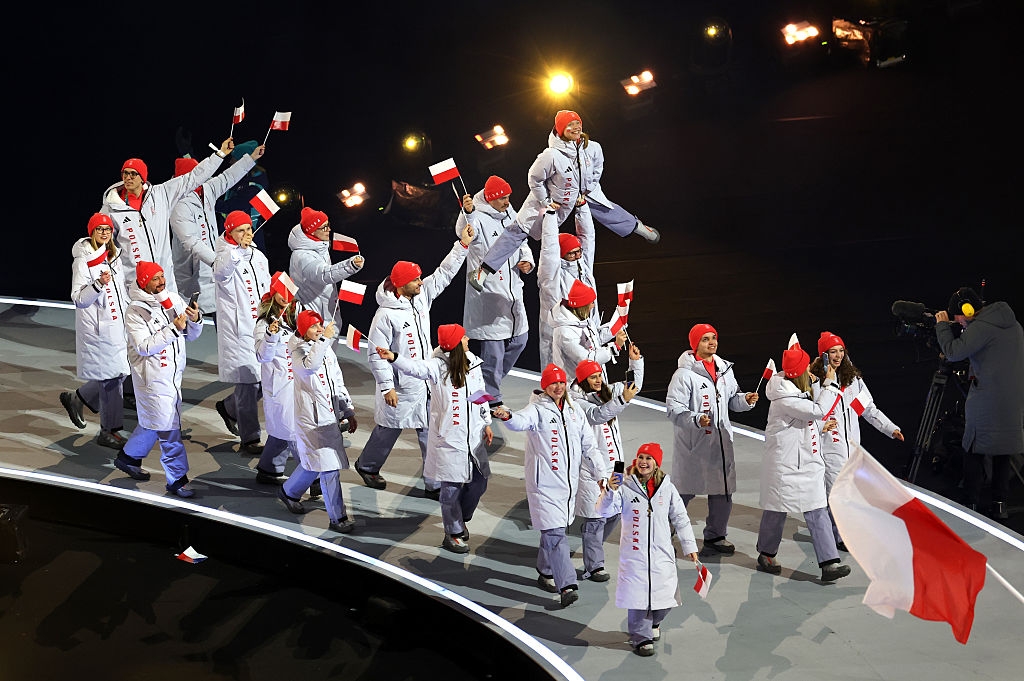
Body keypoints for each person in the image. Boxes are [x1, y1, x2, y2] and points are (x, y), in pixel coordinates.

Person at [470, 110, 659, 292]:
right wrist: (545, 201)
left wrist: (586, 189)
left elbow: (597, 169)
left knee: (608, 210)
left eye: (578, 123)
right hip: (554, 199)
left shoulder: (593, 147)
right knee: (517, 231)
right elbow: (534, 179)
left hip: (584, 193)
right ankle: (483, 272)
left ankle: (641, 228)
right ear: (561, 129)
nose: (576, 127)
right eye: (570, 125)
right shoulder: (551, 155)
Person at [357, 223, 475, 497]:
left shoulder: (420, 299)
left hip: (423, 380)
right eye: (416, 279)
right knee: (387, 431)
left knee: (429, 432)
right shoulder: (385, 316)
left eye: (421, 278)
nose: (422, 282)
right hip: (400, 387)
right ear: (401, 285)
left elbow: (444, 273)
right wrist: (387, 387)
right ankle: (367, 465)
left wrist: (463, 245)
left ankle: (433, 483)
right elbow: (376, 353)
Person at [490, 364, 604, 608]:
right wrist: (507, 415)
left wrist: (600, 474)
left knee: (556, 532)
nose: (559, 386)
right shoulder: (537, 409)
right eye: (553, 383)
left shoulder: (574, 411)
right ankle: (567, 585)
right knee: (554, 534)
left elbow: (589, 445)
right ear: (545, 386)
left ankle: (545, 571)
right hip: (545, 487)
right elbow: (520, 421)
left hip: (568, 485)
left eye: (562, 382)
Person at [374, 324, 494, 553]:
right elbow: (414, 368)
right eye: (463, 336)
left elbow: (480, 393)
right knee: (450, 488)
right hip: (449, 438)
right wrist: (394, 358)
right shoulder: (436, 366)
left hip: (474, 436)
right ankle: (453, 532)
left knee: (479, 482)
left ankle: (461, 517)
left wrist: (487, 421)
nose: (468, 338)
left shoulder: (473, 362)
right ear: (457, 343)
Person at [756, 334, 851, 582]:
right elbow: (818, 411)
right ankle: (766, 554)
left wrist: (820, 428)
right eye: (807, 367)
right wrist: (829, 385)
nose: (811, 370)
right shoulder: (785, 397)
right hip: (785, 466)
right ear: (798, 372)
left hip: (805, 462)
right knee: (776, 511)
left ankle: (829, 563)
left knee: (817, 509)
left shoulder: (797, 391)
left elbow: (801, 424)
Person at [599, 443, 699, 657]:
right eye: (641, 457)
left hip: (662, 553)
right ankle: (640, 637)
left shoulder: (667, 488)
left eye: (649, 458)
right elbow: (604, 510)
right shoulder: (624, 486)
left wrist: (689, 546)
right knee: (638, 598)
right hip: (635, 554)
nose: (643, 462)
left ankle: (655, 622)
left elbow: (680, 518)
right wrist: (610, 490)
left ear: (656, 463)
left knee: (666, 597)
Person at [456, 176, 534, 449]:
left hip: (513, 291)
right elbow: (464, 231)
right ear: (490, 198)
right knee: (494, 351)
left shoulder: (509, 212)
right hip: (489, 293)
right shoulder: (476, 214)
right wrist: (466, 213)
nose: (507, 201)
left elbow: (521, 239)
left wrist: (526, 259)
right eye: (502, 197)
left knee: (520, 340)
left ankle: (488, 387)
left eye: (508, 196)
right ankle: (493, 401)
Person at [113, 261, 203, 498]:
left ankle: (128, 458)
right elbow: (143, 347)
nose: (161, 281)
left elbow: (192, 335)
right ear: (144, 282)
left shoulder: (172, 299)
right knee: (169, 429)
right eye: (155, 278)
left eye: (162, 276)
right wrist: (173, 329)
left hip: (172, 376)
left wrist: (195, 320)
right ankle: (177, 480)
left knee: (155, 421)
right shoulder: (135, 311)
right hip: (152, 379)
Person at [666, 324, 758, 555]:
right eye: (706, 339)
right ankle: (663, 531)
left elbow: (731, 401)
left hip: (720, 443)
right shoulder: (683, 375)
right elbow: (673, 409)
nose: (712, 342)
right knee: (683, 491)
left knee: (723, 490)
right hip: (694, 444)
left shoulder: (725, 369)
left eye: (714, 337)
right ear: (695, 344)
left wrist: (745, 400)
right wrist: (696, 419)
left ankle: (716, 535)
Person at [101, 137, 237, 292]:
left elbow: (193, 178)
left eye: (133, 174)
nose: (128, 177)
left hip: (164, 281)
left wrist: (219, 155)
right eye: (125, 173)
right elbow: (101, 243)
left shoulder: (161, 194)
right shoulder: (112, 207)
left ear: (143, 177)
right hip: (134, 283)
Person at [934, 286, 1024, 520]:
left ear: (968, 310)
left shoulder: (982, 327)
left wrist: (942, 326)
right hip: (1012, 402)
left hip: (987, 401)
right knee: (1003, 450)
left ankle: (970, 505)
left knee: (973, 448)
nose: (957, 321)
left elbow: (954, 352)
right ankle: (999, 505)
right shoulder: (1013, 325)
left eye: (958, 316)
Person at [810, 330, 903, 547]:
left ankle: (841, 532)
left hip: (852, 449)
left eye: (841, 350)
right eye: (833, 351)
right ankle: (840, 537)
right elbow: (809, 412)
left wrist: (890, 429)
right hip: (829, 449)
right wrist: (822, 426)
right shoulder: (815, 381)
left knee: (848, 494)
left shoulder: (852, 380)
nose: (838, 355)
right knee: (837, 494)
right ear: (824, 354)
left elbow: (868, 409)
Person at [278, 310, 359, 534]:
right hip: (312, 421)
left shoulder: (324, 349)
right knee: (329, 468)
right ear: (304, 331)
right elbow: (309, 366)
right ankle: (338, 518)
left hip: (329, 416)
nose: (320, 330)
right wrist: (324, 340)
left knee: (314, 463)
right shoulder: (297, 352)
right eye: (315, 327)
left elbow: (337, 381)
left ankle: (289, 492)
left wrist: (348, 409)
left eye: (321, 326)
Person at [169, 142, 266, 317]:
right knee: (191, 324)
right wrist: (217, 262)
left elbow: (228, 177)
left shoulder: (206, 190)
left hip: (214, 272)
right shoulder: (178, 204)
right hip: (193, 274)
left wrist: (251, 159)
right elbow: (192, 242)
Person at [572, 347, 643, 582]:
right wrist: (622, 399)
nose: (599, 380)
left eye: (600, 376)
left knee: (614, 513)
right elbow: (598, 415)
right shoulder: (577, 402)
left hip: (617, 465)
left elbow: (632, 386)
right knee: (596, 518)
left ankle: (592, 548)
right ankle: (594, 566)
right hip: (593, 469)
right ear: (582, 380)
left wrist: (635, 363)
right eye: (593, 377)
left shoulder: (605, 391)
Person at [60, 213, 131, 449]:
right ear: (92, 232)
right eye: (99, 229)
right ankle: (109, 431)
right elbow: (78, 298)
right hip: (99, 329)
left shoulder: (115, 256)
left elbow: (121, 291)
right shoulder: (83, 260)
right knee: (113, 378)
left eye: (107, 229)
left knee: (119, 373)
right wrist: (98, 285)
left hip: (119, 326)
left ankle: (78, 398)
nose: (104, 233)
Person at [212, 211, 271, 455]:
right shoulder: (224, 255)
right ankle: (250, 438)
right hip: (239, 330)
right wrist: (237, 251)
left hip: (262, 325)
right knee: (248, 383)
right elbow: (221, 273)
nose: (247, 234)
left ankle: (228, 408)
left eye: (249, 229)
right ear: (230, 232)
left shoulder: (258, 255)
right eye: (240, 231)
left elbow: (266, 286)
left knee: (265, 378)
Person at [536, 208, 611, 370]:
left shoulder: (584, 268)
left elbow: (588, 237)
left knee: (592, 378)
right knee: (562, 382)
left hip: (588, 333)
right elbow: (549, 250)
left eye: (579, 251)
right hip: (559, 337)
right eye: (572, 253)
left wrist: (582, 207)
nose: (578, 256)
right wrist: (550, 216)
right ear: (561, 255)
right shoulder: (552, 278)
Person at [287, 206, 364, 327]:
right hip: (314, 320)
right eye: (324, 227)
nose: (329, 229)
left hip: (329, 313)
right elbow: (323, 274)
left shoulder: (320, 245)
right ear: (312, 231)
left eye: (328, 224)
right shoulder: (301, 256)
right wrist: (351, 265)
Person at [253, 287, 299, 484]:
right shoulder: (263, 324)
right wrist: (271, 337)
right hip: (279, 386)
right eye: (282, 292)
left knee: (283, 429)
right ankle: (314, 478)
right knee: (295, 432)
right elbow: (262, 356)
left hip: (296, 382)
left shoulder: (294, 318)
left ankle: (268, 469)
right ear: (273, 294)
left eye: (289, 292)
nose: (286, 297)